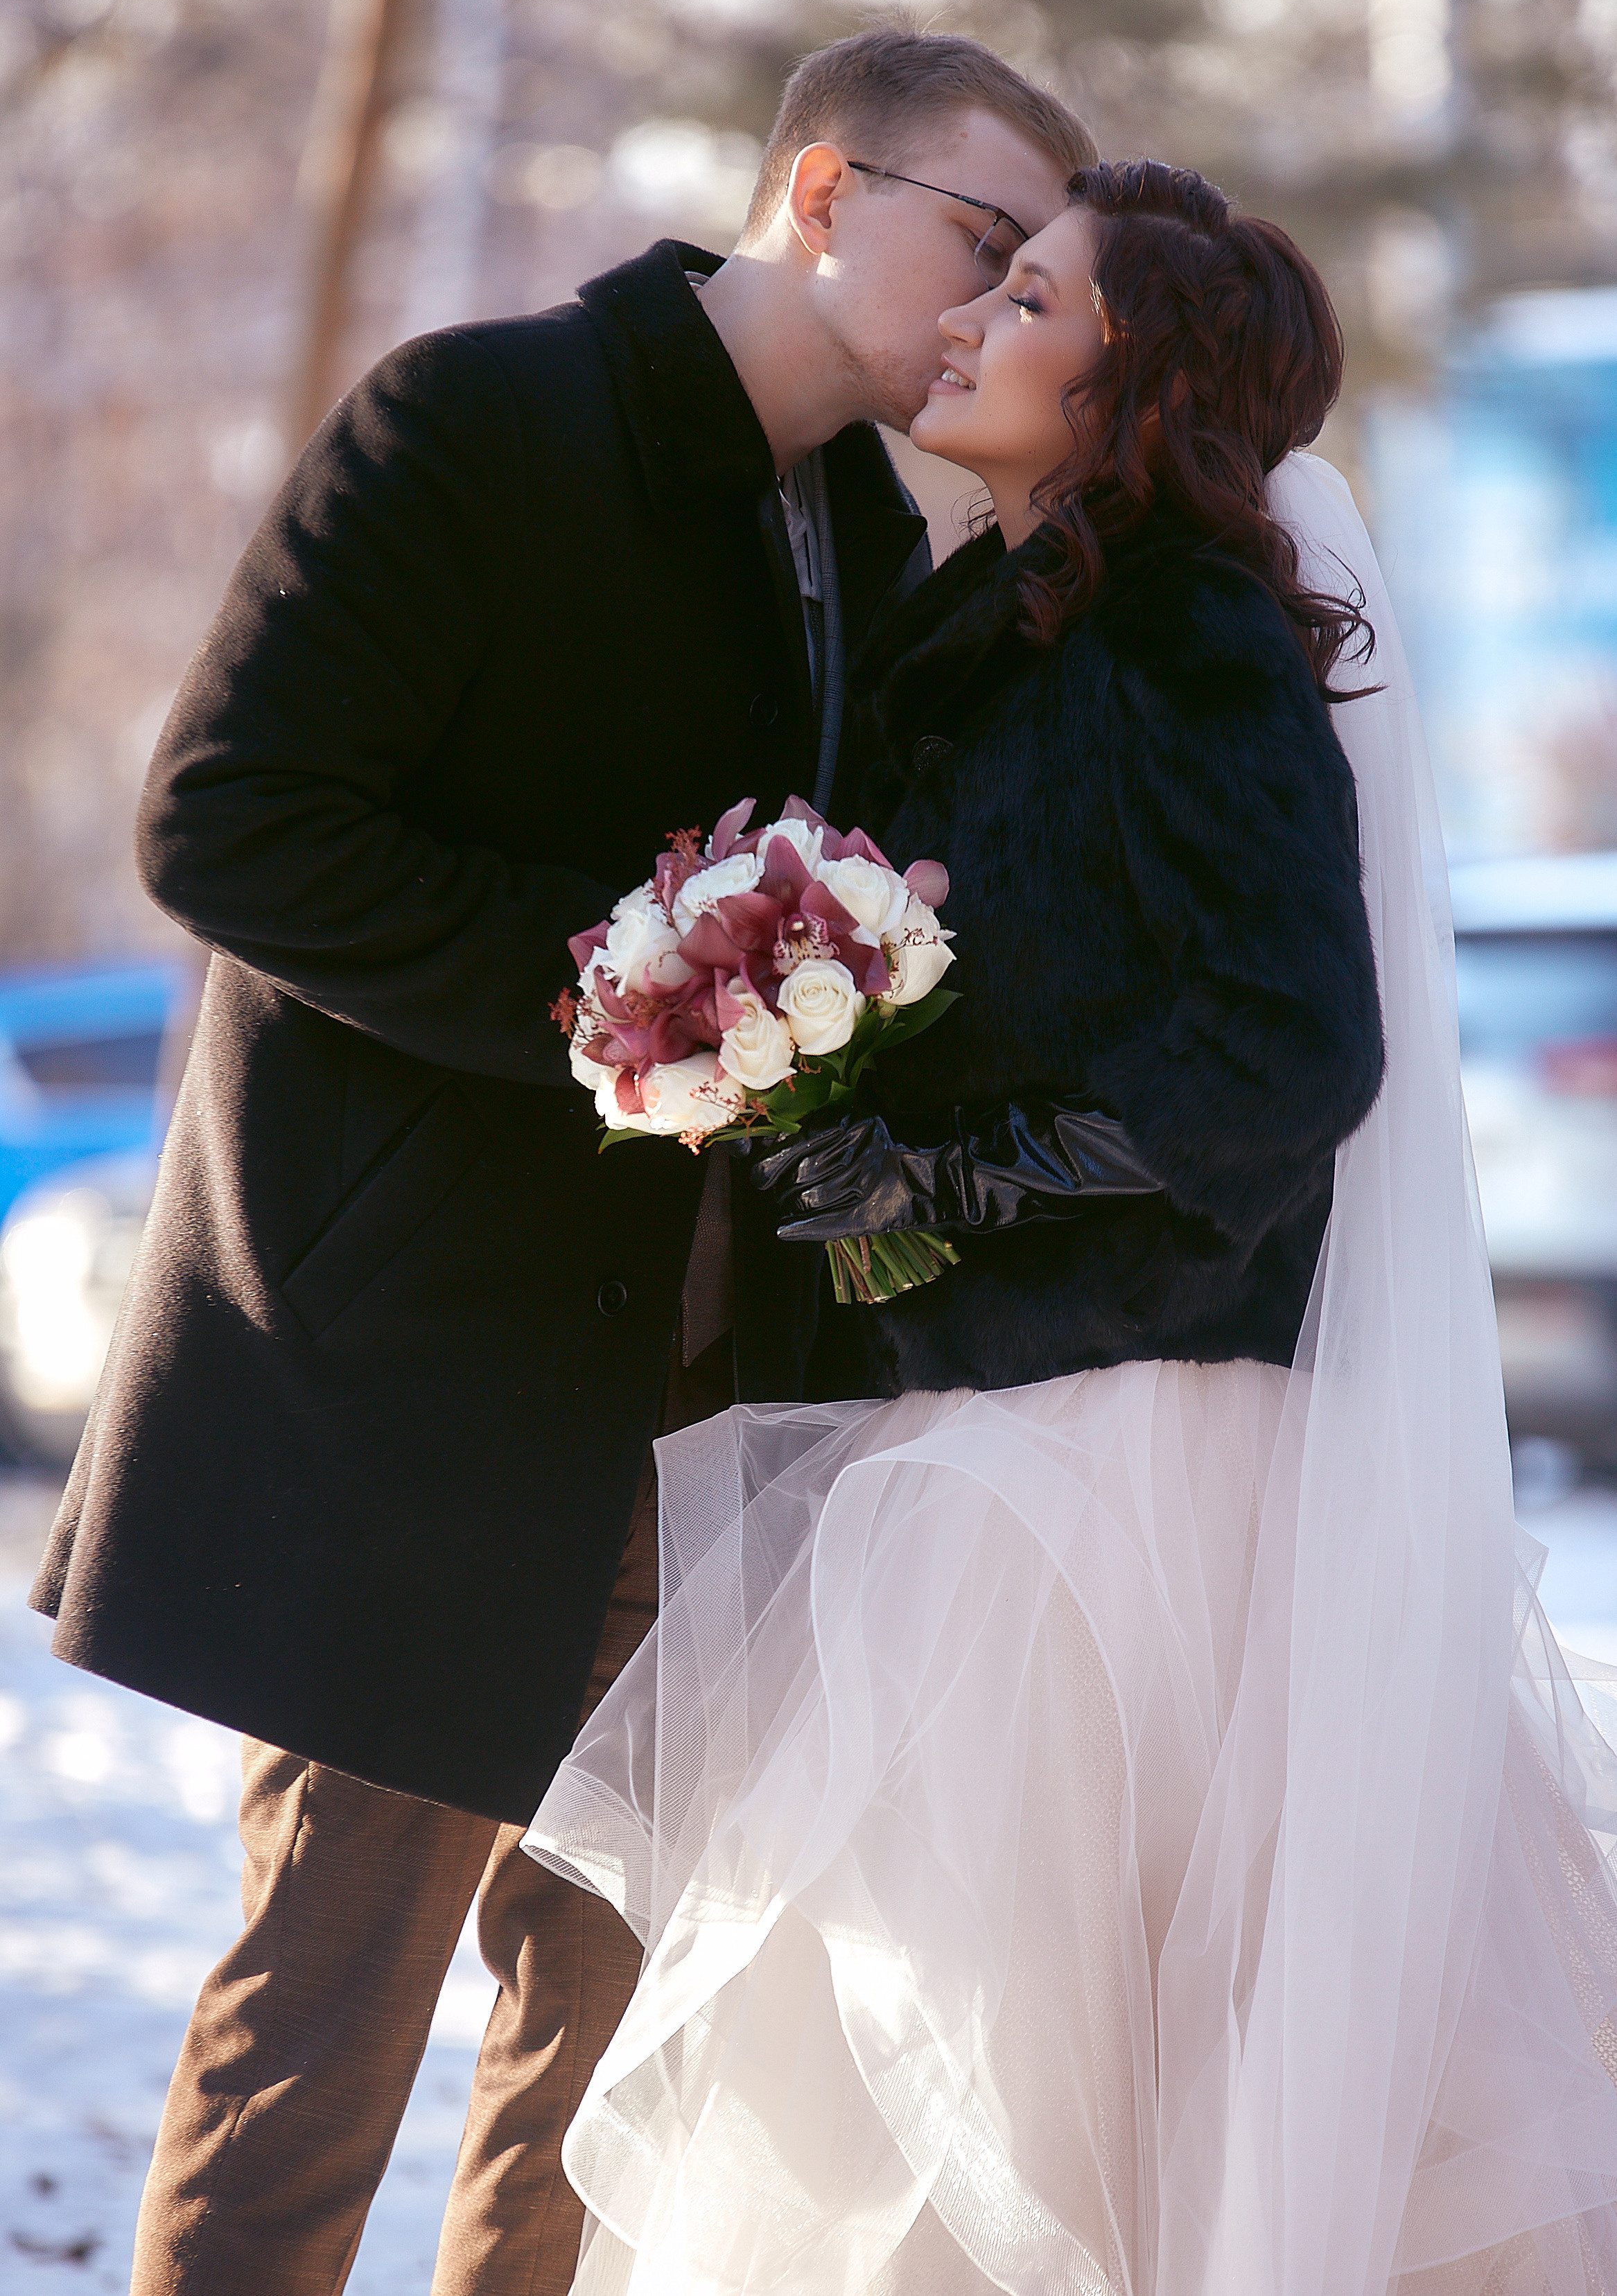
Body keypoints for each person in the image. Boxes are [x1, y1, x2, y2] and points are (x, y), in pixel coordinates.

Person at [26, 30, 1095, 2296]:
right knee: (320, 2027)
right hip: (420, 1382)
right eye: (985, 244)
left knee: (610, 2063)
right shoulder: (474, 417)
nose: (1000, 311)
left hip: (701, 1415)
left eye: (1037, 280)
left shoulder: (861, 526)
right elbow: (225, 821)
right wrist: (628, 980)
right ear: (826, 191)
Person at [526, 164, 1617, 2295]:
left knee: (1096, 2107)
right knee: (966, 2084)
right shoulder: (1004, 634)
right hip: (993, 1436)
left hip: (1140, 1471)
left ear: (1137, 382)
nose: (966, 324)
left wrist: (953, 1177)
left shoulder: (1187, 628)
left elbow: (1291, 1049)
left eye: (1026, 299)